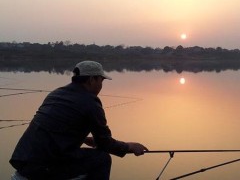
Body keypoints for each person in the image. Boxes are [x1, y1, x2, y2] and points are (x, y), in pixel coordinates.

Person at [9, 60, 148, 180]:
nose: (101, 85)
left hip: (23, 160)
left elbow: (53, 128)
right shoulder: (91, 102)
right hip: (43, 166)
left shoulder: (56, 93)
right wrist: (130, 147)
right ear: (91, 79)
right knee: (102, 159)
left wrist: (83, 139)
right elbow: (105, 143)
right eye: (101, 80)